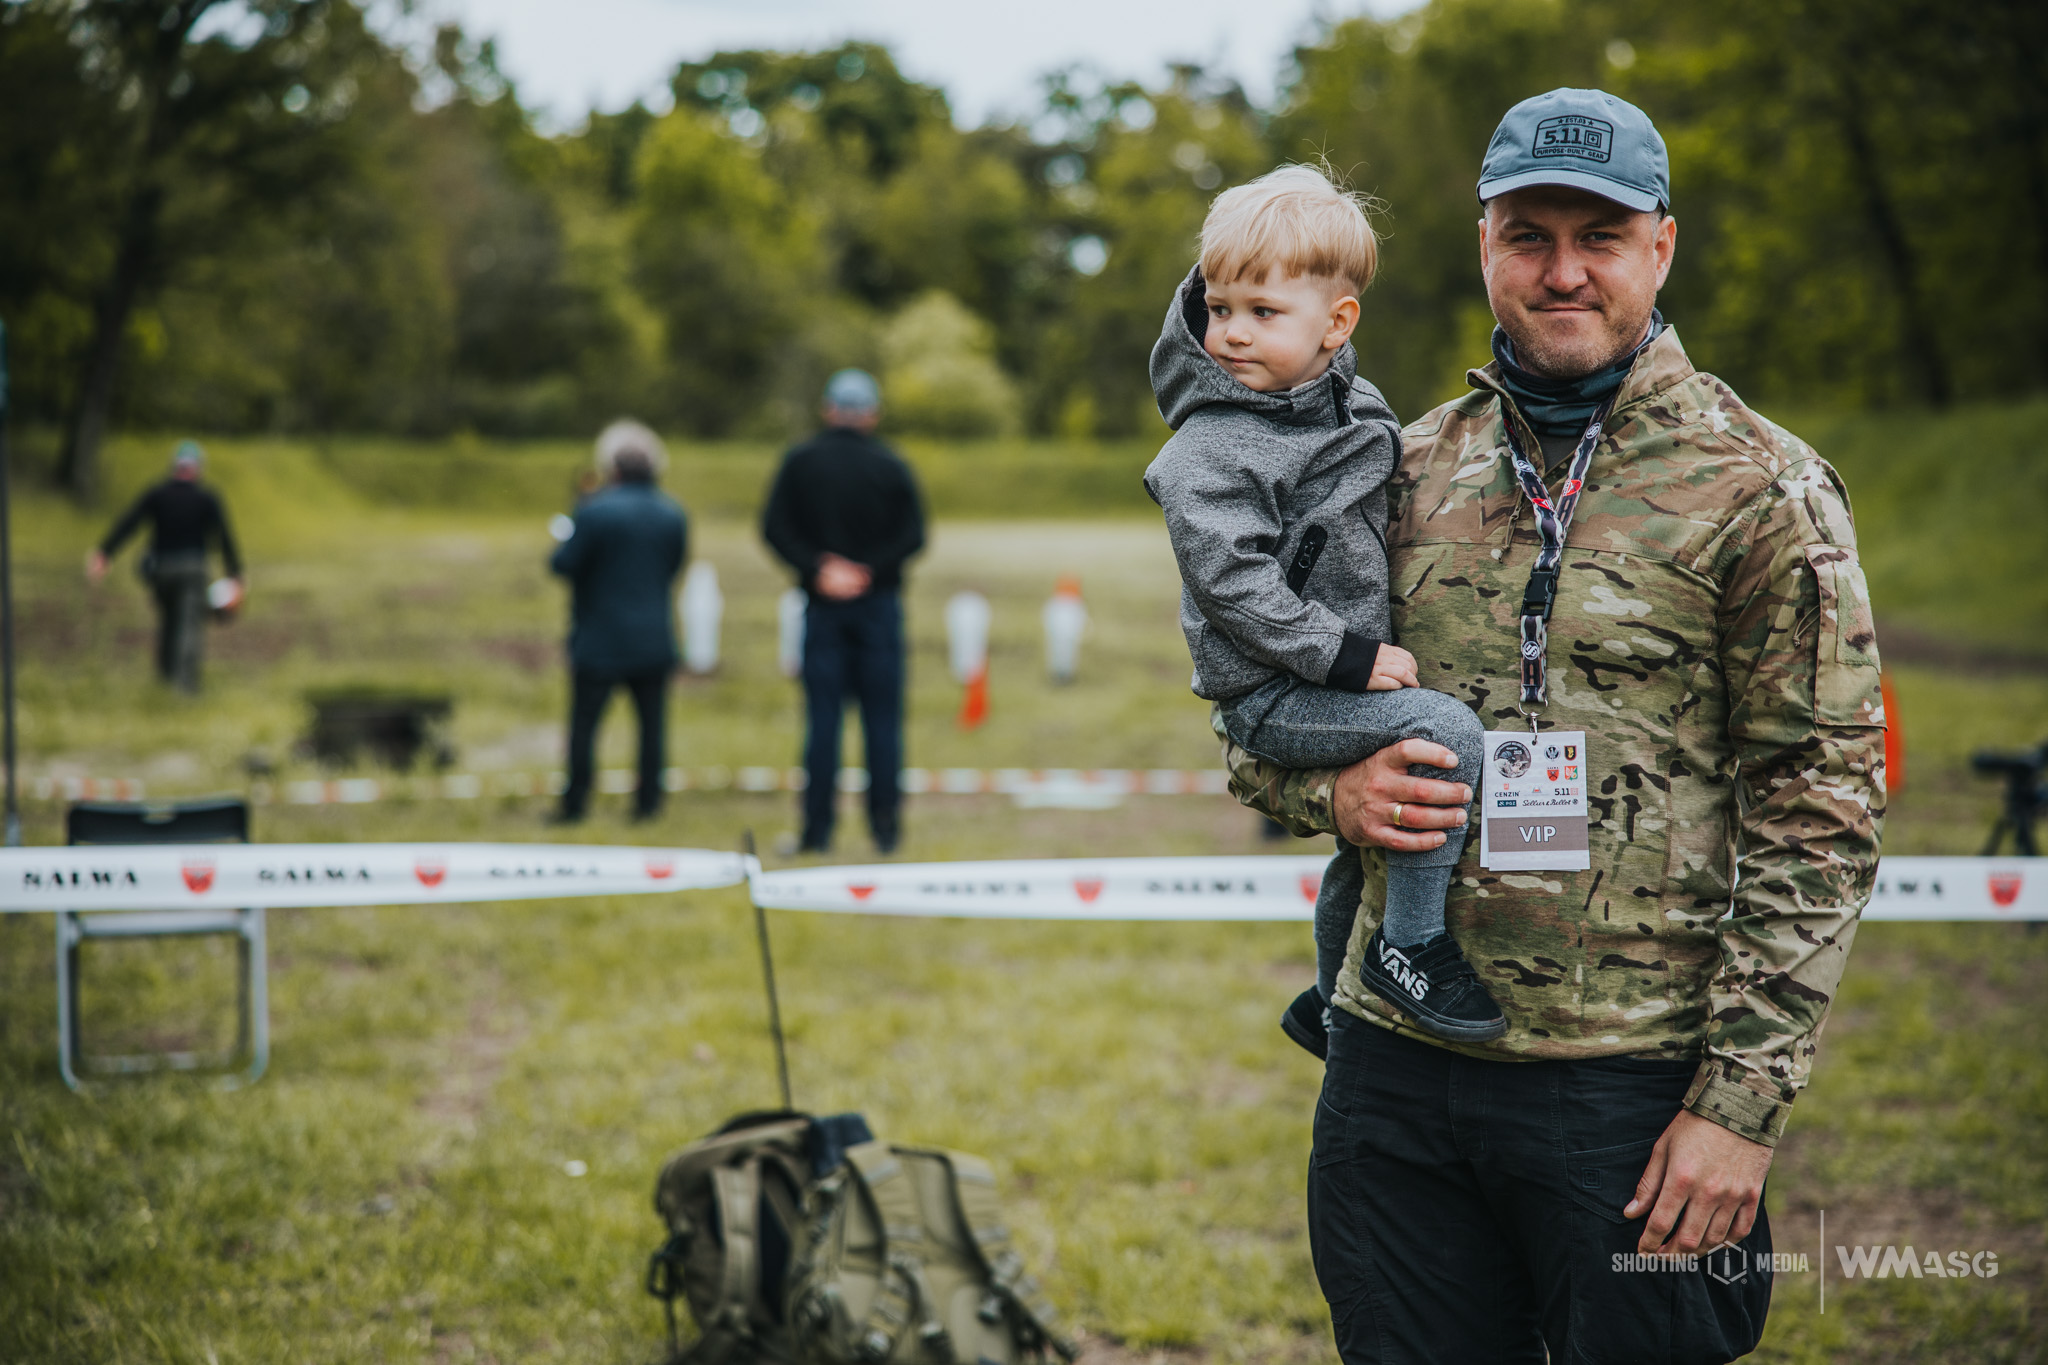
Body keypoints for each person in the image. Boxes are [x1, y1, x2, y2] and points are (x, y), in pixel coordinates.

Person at [1222, 89, 1884, 1363]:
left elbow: (1823, 811)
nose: (1562, 269)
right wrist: (1333, 799)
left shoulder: (1760, 489)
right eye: (1529, 234)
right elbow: (1252, 712)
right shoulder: (1390, 469)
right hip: (1396, 1070)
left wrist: (1737, 1108)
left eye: (1599, 235)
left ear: (1660, 248)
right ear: (1482, 244)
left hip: (1630, 1089)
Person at [1144, 165, 1500, 1048]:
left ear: (1336, 326)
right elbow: (1232, 583)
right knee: (1444, 736)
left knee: (1362, 844)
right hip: (1274, 690)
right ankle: (1409, 948)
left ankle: (1329, 994)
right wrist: (1343, 654)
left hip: (1322, 674)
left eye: (1263, 313)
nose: (1230, 334)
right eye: (1220, 308)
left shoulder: (1350, 409)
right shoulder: (1211, 445)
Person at [763, 369, 926, 854]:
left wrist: (819, 568)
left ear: (828, 409)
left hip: (822, 609)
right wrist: (868, 571)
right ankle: (885, 831)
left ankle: (816, 833)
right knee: (882, 722)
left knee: (823, 722)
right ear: (872, 414)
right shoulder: (891, 464)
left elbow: (775, 526)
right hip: (879, 609)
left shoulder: (799, 462)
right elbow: (914, 535)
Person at [549, 420, 687, 824]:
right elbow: (675, 565)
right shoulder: (672, 513)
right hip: (652, 636)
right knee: (651, 730)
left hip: (600, 636)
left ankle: (575, 804)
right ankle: (648, 805)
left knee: (585, 727)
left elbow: (564, 563)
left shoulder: (594, 512)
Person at [87, 440, 243, 693]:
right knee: (189, 625)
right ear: (198, 469)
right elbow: (224, 536)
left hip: (162, 571)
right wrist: (235, 573)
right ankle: (184, 688)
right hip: (192, 570)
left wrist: (105, 553)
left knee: (169, 622)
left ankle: (165, 679)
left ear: (174, 467)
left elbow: (129, 523)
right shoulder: (206, 498)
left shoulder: (158, 494)